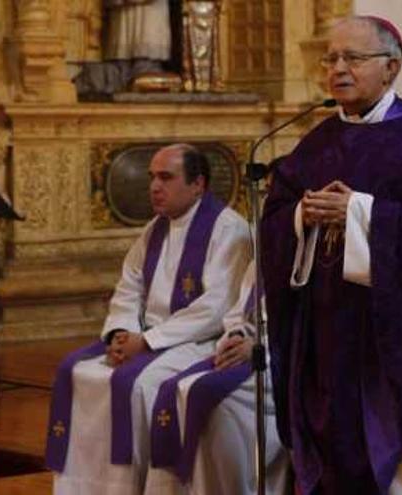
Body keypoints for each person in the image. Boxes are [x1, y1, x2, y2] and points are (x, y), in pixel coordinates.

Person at [261, 16, 402, 494]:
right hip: (326, 334)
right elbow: (276, 218)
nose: (338, 69)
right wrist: (302, 216)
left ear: (390, 67)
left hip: (395, 337)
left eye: (353, 58)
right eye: (331, 58)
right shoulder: (315, 143)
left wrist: (361, 211)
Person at [46, 143, 251, 494]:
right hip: (146, 336)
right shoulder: (155, 229)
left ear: (198, 184)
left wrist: (150, 341)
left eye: (166, 177)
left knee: (140, 385)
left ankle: (135, 487)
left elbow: (216, 306)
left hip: (195, 341)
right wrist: (121, 333)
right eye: (152, 177)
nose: (155, 186)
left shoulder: (228, 229)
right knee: (75, 371)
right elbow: (129, 287)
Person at [146, 261, 290, 494]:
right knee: (180, 389)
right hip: (253, 348)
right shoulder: (264, 253)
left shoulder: (302, 248)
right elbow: (239, 313)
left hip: (285, 360)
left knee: (213, 400)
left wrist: (260, 346)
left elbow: (302, 323)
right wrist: (236, 334)